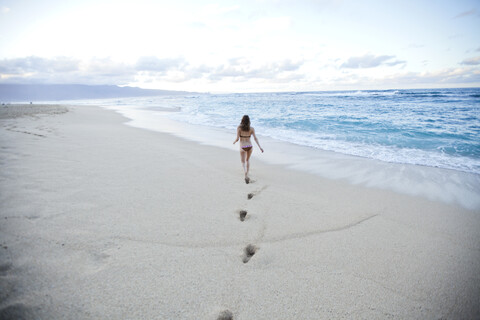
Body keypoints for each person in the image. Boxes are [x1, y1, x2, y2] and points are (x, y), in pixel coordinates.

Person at [233, 115, 264, 183]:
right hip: (250, 146)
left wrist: (234, 142)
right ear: (249, 121)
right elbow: (255, 138)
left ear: (242, 120)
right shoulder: (252, 129)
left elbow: (237, 138)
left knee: (243, 161)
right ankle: (247, 172)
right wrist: (260, 147)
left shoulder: (239, 128)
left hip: (242, 146)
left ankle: (245, 172)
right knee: (248, 160)